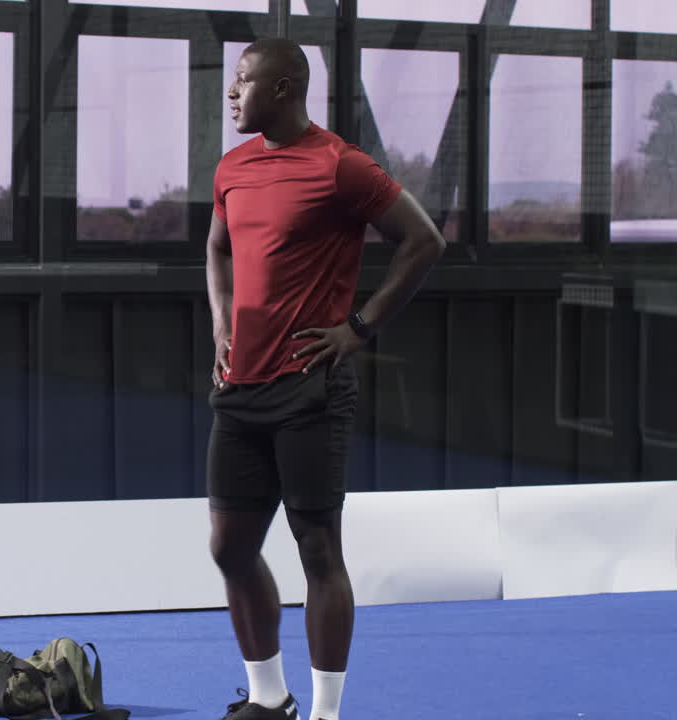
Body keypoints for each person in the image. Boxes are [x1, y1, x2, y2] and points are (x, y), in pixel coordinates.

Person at [205, 38, 444, 720]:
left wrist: (359, 328)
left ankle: (326, 714)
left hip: (310, 389)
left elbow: (425, 241)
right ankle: (268, 699)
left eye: (243, 80)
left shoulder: (340, 165)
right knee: (230, 549)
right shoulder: (232, 168)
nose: (231, 92)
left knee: (317, 550)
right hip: (239, 390)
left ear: (283, 88)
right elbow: (217, 248)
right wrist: (221, 323)